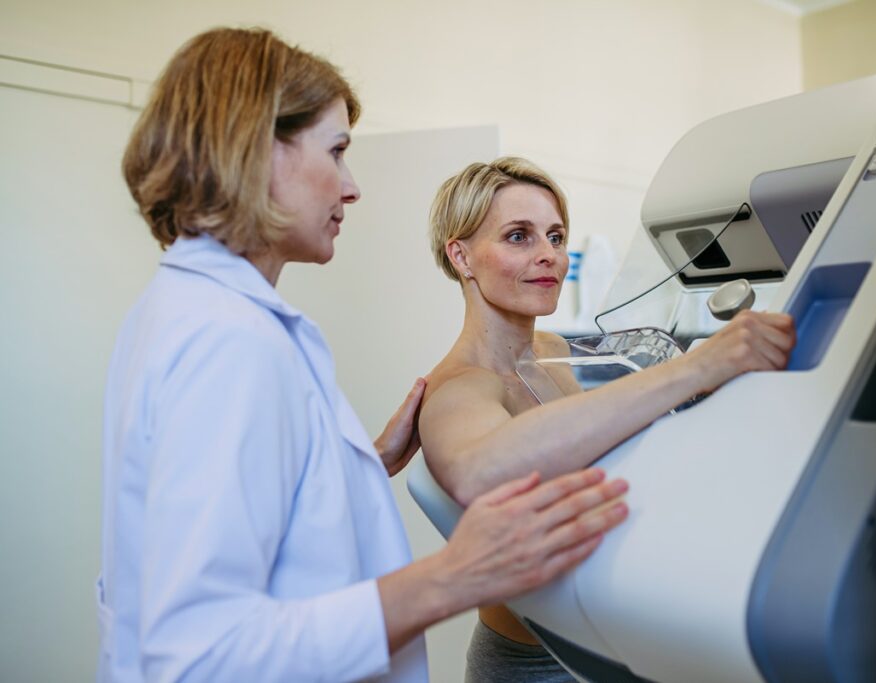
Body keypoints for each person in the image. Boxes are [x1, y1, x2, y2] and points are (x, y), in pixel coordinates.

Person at [98, 29, 631, 683]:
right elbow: (201, 650)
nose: (351, 188)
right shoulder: (227, 339)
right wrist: (455, 573)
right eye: (338, 151)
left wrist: (353, 465)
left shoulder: (187, 311)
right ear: (257, 151)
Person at [419, 157, 797, 681]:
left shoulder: (548, 348)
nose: (548, 255)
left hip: (604, 640)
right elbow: (479, 469)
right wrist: (695, 367)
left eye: (555, 236)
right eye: (518, 237)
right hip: (537, 663)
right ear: (460, 255)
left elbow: (589, 435)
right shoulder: (461, 385)